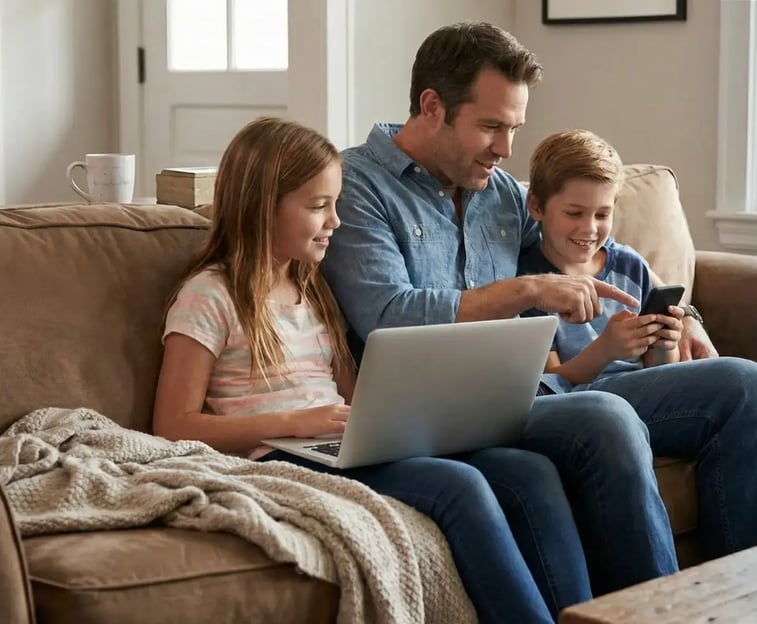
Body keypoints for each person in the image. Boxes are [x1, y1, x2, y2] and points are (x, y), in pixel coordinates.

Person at [152, 116, 596, 624]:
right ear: (260, 207)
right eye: (319, 207)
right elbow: (172, 425)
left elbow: (358, 396)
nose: (335, 222)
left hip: (335, 442)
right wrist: (292, 424)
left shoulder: (313, 292)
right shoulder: (209, 296)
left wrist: (403, 420)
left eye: (335, 205)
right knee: (460, 487)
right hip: (277, 454)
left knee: (530, 471)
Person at [320, 22, 678, 597]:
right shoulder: (356, 185)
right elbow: (389, 315)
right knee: (606, 417)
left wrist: (685, 313)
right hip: (423, 418)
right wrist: (527, 291)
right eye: (490, 126)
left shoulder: (502, 192)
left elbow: (586, 241)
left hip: (515, 401)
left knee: (747, 391)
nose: (507, 149)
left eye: (513, 128)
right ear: (432, 106)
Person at [515, 129, 757, 558]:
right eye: (575, 213)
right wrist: (605, 350)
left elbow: (661, 376)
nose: (590, 228)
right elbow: (549, 382)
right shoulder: (530, 281)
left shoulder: (626, 264)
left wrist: (664, 343)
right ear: (537, 207)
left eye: (603, 214)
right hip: (585, 400)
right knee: (746, 382)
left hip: (647, 398)